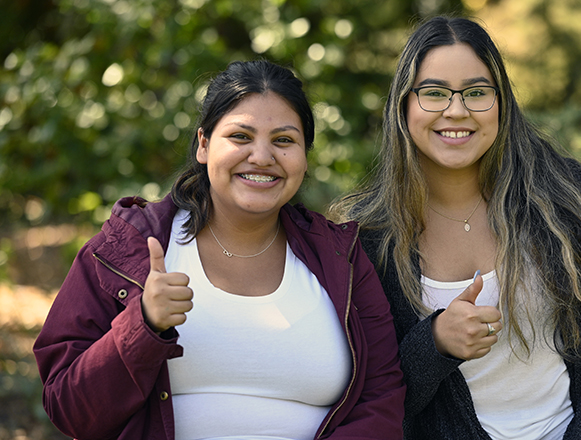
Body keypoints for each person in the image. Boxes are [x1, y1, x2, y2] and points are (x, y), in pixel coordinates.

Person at [33, 60, 405, 440]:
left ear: (305, 157)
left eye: (283, 140)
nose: (262, 157)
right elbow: (69, 408)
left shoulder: (341, 258)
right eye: (241, 136)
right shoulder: (128, 248)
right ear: (204, 145)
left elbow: (382, 399)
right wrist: (142, 325)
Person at [330, 16, 581, 440]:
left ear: (501, 101)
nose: (457, 110)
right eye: (433, 93)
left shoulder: (564, 194)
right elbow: (376, 395)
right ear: (403, 105)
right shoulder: (370, 234)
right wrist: (434, 344)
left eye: (477, 92)